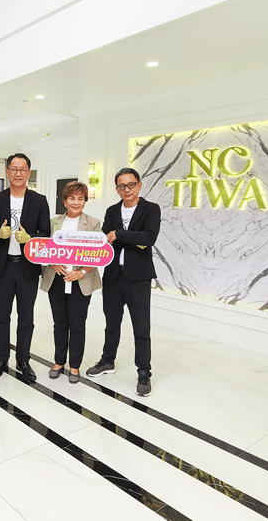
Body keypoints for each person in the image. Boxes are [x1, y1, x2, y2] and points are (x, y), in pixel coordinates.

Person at [86, 168, 161, 397]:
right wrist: (133, 239)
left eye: (130, 185)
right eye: (121, 186)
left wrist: (119, 234)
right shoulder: (112, 210)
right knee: (111, 323)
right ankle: (107, 361)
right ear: (117, 189)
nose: (126, 189)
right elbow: (104, 240)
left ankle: (144, 372)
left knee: (141, 327)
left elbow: (149, 238)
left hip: (138, 277)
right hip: (113, 276)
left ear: (139, 184)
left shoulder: (151, 209)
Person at [0, 153, 51, 381]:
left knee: (26, 317)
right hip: (3, 268)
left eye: (22, 169)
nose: (18, 173)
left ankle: (23, 360)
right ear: (7, 171)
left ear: (28, 173)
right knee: (1, 316)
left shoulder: (39, 200)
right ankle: (1, 359)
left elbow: (46, 234)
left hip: (27, 268)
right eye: (14, 169)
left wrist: (30, 239)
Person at [40, 181, 102, 384]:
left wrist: (81, 272)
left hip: (81, 280)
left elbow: (98, 253)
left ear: (85, 201)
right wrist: (52, 262)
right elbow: (44, 247)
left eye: (80, 198)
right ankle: (59, 361)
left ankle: (74, 365)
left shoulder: (93, 223)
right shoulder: (53, 222)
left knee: (77, 324)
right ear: (65, 201)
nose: (76, 202)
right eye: (72, 198)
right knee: (59, 323)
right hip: (56, 278)